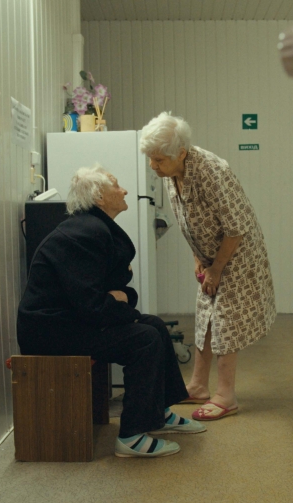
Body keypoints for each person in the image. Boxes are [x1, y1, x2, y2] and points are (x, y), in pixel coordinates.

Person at [16, 163, 204, 458]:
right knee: (144, 339)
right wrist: (124, 306)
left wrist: (123, 300)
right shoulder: (83, 234)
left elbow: (113, 292)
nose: (125, 190)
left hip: (70, 321)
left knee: (154, 325)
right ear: (99, 197)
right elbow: (93, 305)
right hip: (50, 332)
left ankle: (158, 413)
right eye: (116, 185)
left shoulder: (92, 228)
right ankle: (131, 437)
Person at [139, 112, 277, 421]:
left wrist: (217, 268)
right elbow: (189, 221)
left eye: (158, 159)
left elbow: (236, 227)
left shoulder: (212, 171)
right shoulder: (172, 173)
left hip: (237, 253)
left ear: (181, 153)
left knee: (226, 320)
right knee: (206, 315)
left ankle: (226, 396)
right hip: (210, 255)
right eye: (150, 158)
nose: (152, 166)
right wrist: (198, 257)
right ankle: (199, 386)